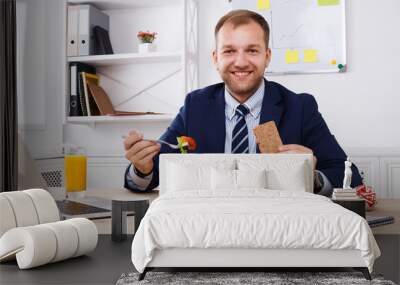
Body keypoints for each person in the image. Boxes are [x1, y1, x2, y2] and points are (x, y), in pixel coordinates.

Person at [123, 9, 362, 195]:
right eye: (229, 51)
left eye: (252, 50)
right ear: (215, 58)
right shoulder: (196, 105)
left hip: (276, 227)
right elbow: (153, 172)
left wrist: (312, 176)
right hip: (210, 227)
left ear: (267, 57)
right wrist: (142, 169)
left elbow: (350, 179)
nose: (240, 62)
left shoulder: (300, 107)